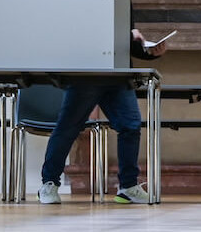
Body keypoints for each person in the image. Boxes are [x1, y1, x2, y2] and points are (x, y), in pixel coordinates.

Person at [37, 28, 168, 205]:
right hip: (85, 73)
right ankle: (49, 183)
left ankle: (128, 187)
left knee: (130, 126)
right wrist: (129, 34)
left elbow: (126, 45)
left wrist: (149, 51)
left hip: (118, 75)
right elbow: (83, 31)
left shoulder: (123, 1)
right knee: (68, 127)